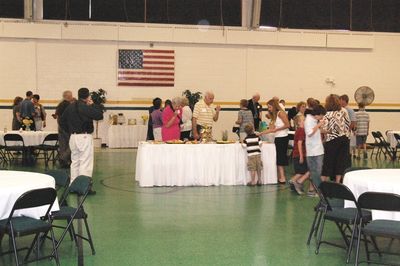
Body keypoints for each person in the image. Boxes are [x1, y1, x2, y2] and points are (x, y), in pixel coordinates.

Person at [60, 88, 103, 193]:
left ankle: (72, 185)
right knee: (85, 162)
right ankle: (84, 187)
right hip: (84, 137)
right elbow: (99, 115)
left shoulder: (70, 107)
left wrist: (70, 131)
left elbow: (62, 121)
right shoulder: (85, 107)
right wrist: (92, 104)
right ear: (88, 96)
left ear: (78, 95)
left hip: (73, 137)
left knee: (75, 162)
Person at [321, 94, 351, 183]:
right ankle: (338, 182)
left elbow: (325, 129)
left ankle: (323, 182)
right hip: (344, 139)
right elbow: (347, 124)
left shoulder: (326, 114)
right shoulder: (344, 111)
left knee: (328, 161)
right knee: (340, 161)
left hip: (332, 140)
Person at [259, 99, 290, 184]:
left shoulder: (281, 113)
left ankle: (282, 177)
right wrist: (261, 133)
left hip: (283, 137)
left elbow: (288, 125)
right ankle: (281, 176)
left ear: (274, 106)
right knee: (279, 157)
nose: (269, 109)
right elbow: (271, 129)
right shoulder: (275, 115)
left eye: (269, 107)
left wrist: (277, 129)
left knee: (280, 157)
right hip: (278, 137)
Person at [304, 105, 326, 196]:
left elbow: (315, 131)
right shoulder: (308, 120)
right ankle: (318, 191)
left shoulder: (314, 120)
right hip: (313, 150)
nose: (322, 117)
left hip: (317, 149)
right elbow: (309, 133)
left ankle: (313, 190)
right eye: (322, 115)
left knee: (316, 172)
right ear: (318, 115)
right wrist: (319, 125)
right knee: (316, 172)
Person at [289, 115, 310, 195]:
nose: (306, 121)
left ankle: (293, 181)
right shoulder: (301, 130)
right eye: (304, 120)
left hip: (300, 154)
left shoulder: (301, 130)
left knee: (303, 171)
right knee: (303, 172)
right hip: (299, 155)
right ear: (299, 122)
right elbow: (299, 143)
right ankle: (296, 181)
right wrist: (301, 155)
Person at [53, 90, 75, 168]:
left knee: (62, 145)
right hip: (67, 128)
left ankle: (64, 162)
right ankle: (63, 158)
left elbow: (57, 116)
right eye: (71, 95)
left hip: (60, 126)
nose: (72, 97)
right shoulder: (69, 105)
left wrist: (60, 125)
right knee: (71, 144)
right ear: (68, 96)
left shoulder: (60, 104)